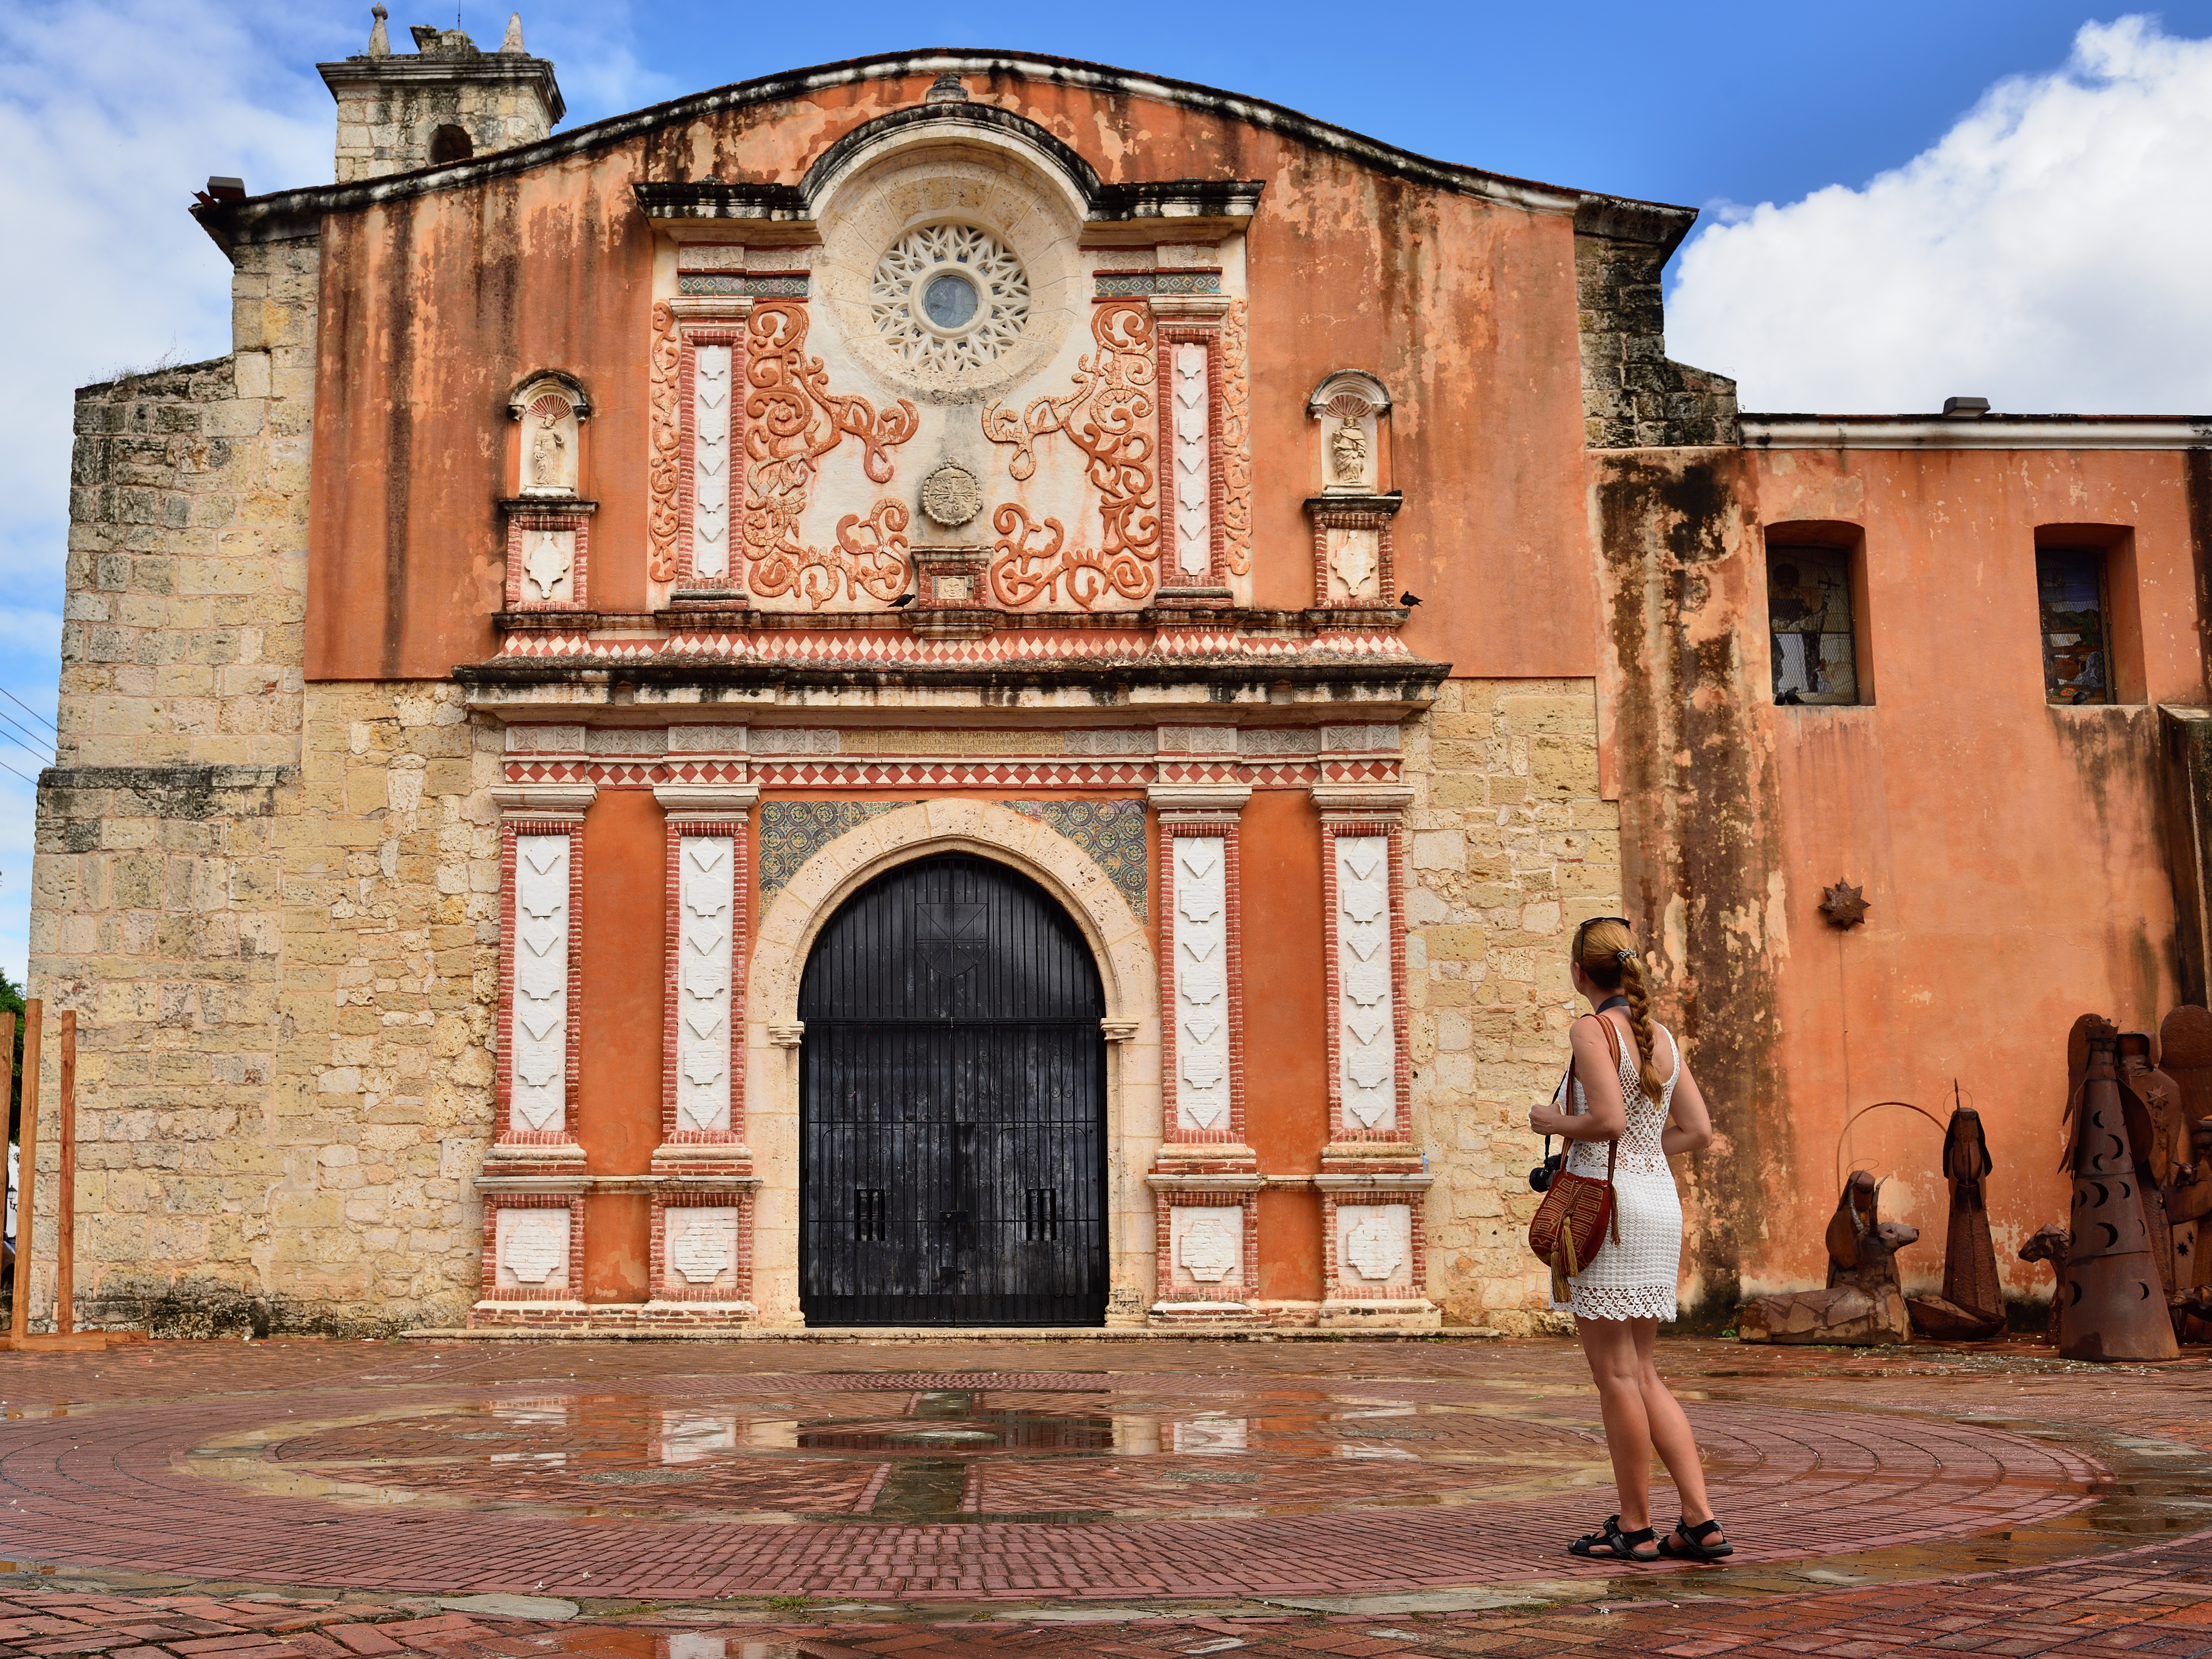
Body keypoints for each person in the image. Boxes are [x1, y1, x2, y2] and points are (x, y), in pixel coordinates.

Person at [1527, 915, 1729, 1564]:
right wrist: (1644, 1153)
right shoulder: (1660, 1036)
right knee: (1641, 1370)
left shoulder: (1591, 1030)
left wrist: (1552, 1120)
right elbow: (1697, 1131)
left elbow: (1609, 1120)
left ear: (1579, 972)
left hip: (1609, 1212)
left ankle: (1636, 1527)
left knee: (1615, 1375)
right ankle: (1699, 1521)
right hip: (1657, 1205)